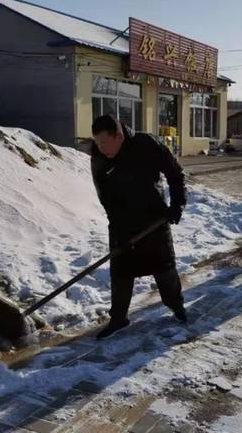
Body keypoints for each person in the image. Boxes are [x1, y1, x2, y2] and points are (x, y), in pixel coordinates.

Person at [90, 115, 187, 340]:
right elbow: (105, 196)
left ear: (119, 136)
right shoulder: (99, 157)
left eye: (104, 143)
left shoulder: (146, 144)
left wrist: (177, 205)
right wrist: (118, 227)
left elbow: (175, 174)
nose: (101, 149)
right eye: (97, 143)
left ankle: (177, 306)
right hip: (121, 222)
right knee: (121, 273)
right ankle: (118, 319)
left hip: (154, 220)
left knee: (165, 270)